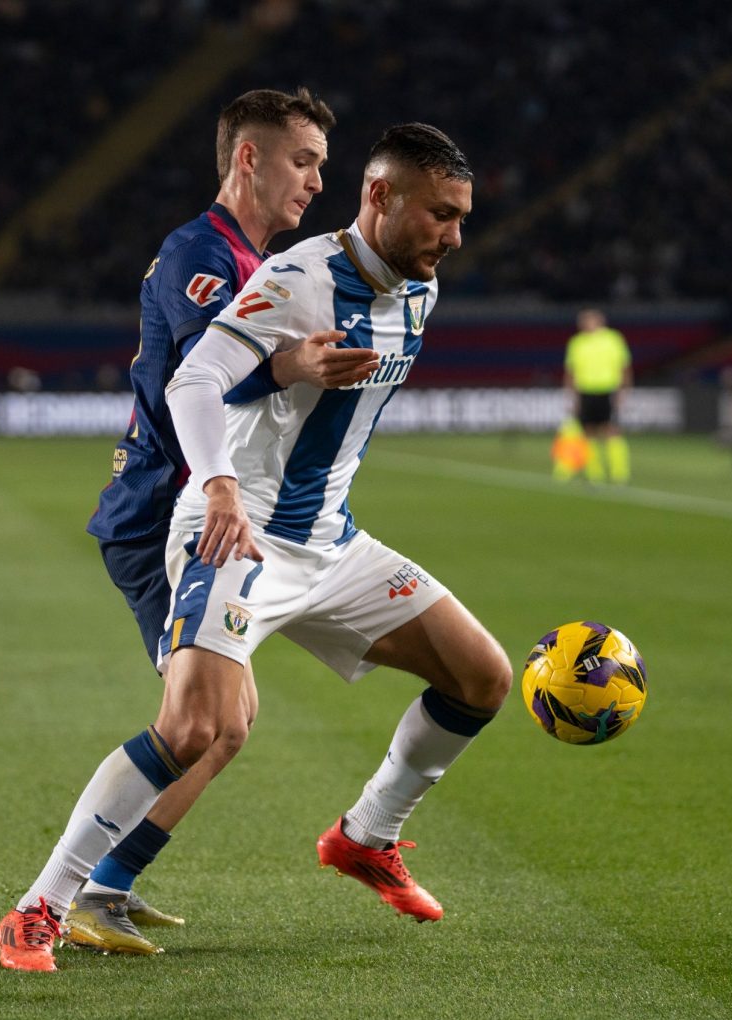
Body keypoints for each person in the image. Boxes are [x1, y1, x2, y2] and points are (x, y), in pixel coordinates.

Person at [0, 87, 379, 971]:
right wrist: (292, 362)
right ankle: (43, 905)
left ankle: (103, 887)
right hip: (167, 515)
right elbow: (197, 385)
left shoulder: (256, 258)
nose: (318, 181)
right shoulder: (201, 254)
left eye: (323, 164)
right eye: (304, 160)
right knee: (203, 720)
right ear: (248, 157)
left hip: (213, 519)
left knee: (227, 721)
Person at [156, 122, 510, 926]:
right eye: (439, 215)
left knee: (483, 677)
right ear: (379, 196)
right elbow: (198, 379)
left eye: (463, 219)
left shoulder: (422, 289)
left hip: (333, 542)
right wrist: (282, 378)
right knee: (200, 730)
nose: (454, 237)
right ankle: (72, 892)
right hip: (244, 534)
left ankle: (366, 835)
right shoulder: (298, 276)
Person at [563, 308, 632, 483]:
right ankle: (595, 471)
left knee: (611, 430)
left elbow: (624, 366)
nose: (586, 324)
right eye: (584, 321)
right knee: (588, 432)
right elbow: (570, 371)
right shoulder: (577, 342)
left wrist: (624, 391)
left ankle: (619, 472)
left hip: (608, 389)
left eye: (590, 320)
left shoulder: (613, 339)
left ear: (600, 321)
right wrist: (572, 395)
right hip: (586, 391)